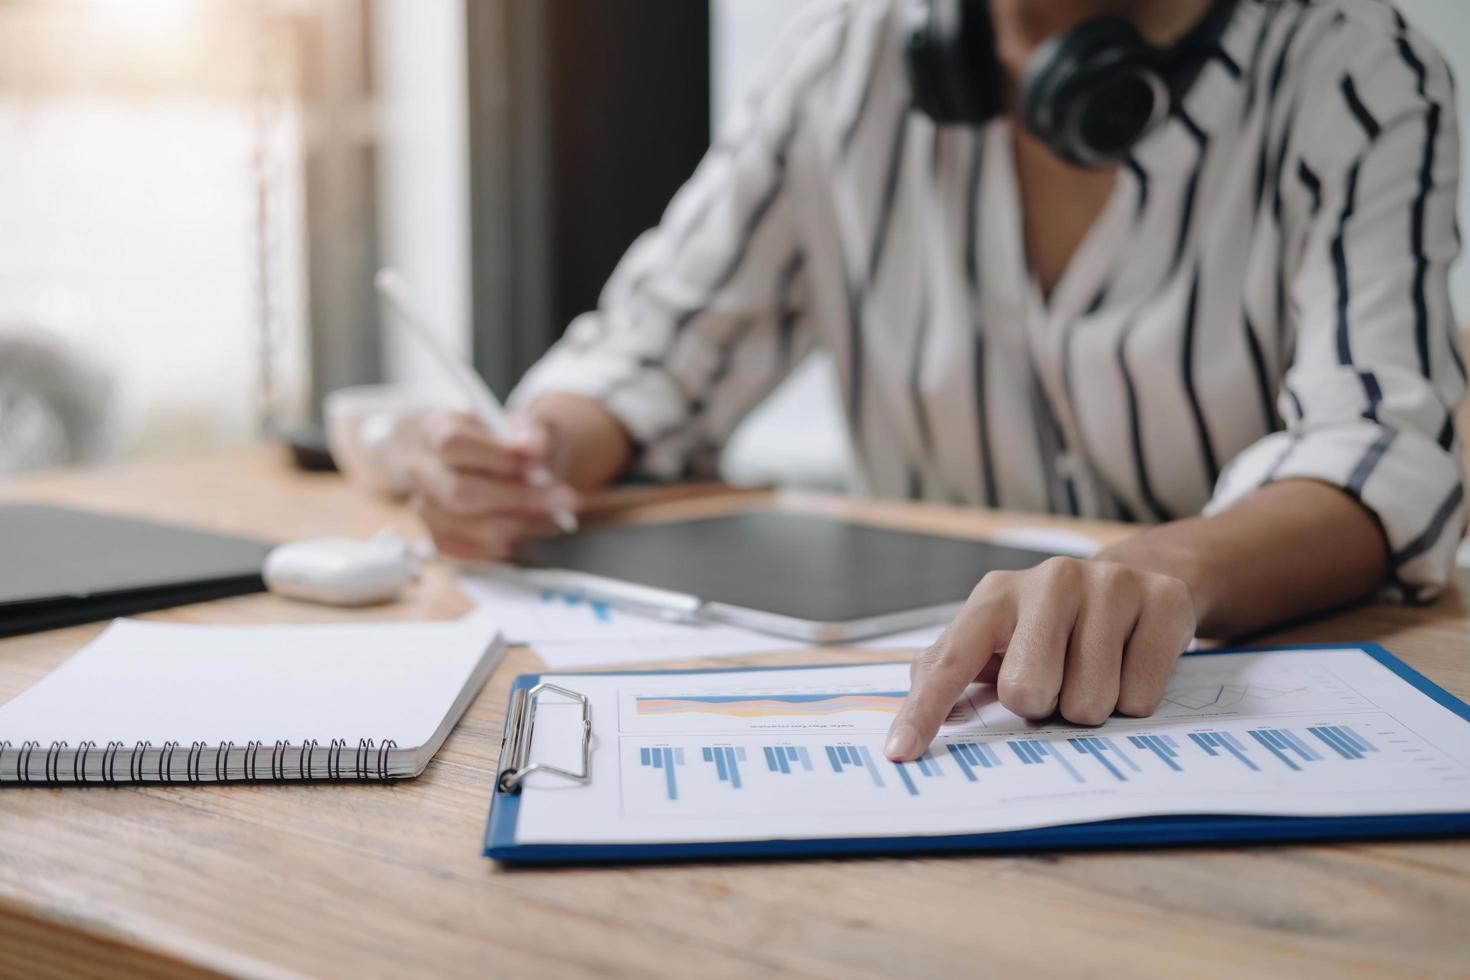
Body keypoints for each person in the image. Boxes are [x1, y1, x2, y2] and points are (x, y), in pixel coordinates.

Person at [409, 0, 1465, 763]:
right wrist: (531, 452)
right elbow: (654, 351)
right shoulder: (844, 60)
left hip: (1208, 700)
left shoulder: (1356, 71)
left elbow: (1378, 449)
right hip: (932, 716)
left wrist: (1159, 571)